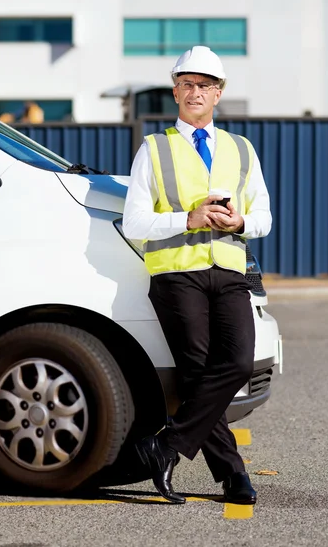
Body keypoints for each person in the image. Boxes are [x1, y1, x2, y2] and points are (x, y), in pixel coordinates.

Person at [122, 45, 272, 505]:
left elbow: (264, 217)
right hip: (177, 273)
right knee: (197, 373)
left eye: (205, 85)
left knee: (238, 363)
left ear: (219, 93)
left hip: (228, 269)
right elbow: (134, 222)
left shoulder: (241, 150)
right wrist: (186, 220)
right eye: (187, 84)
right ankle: (233, 476)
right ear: (175, 91)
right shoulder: (154, 148)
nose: (195, 92)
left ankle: (166, 446)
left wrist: (239, 223)